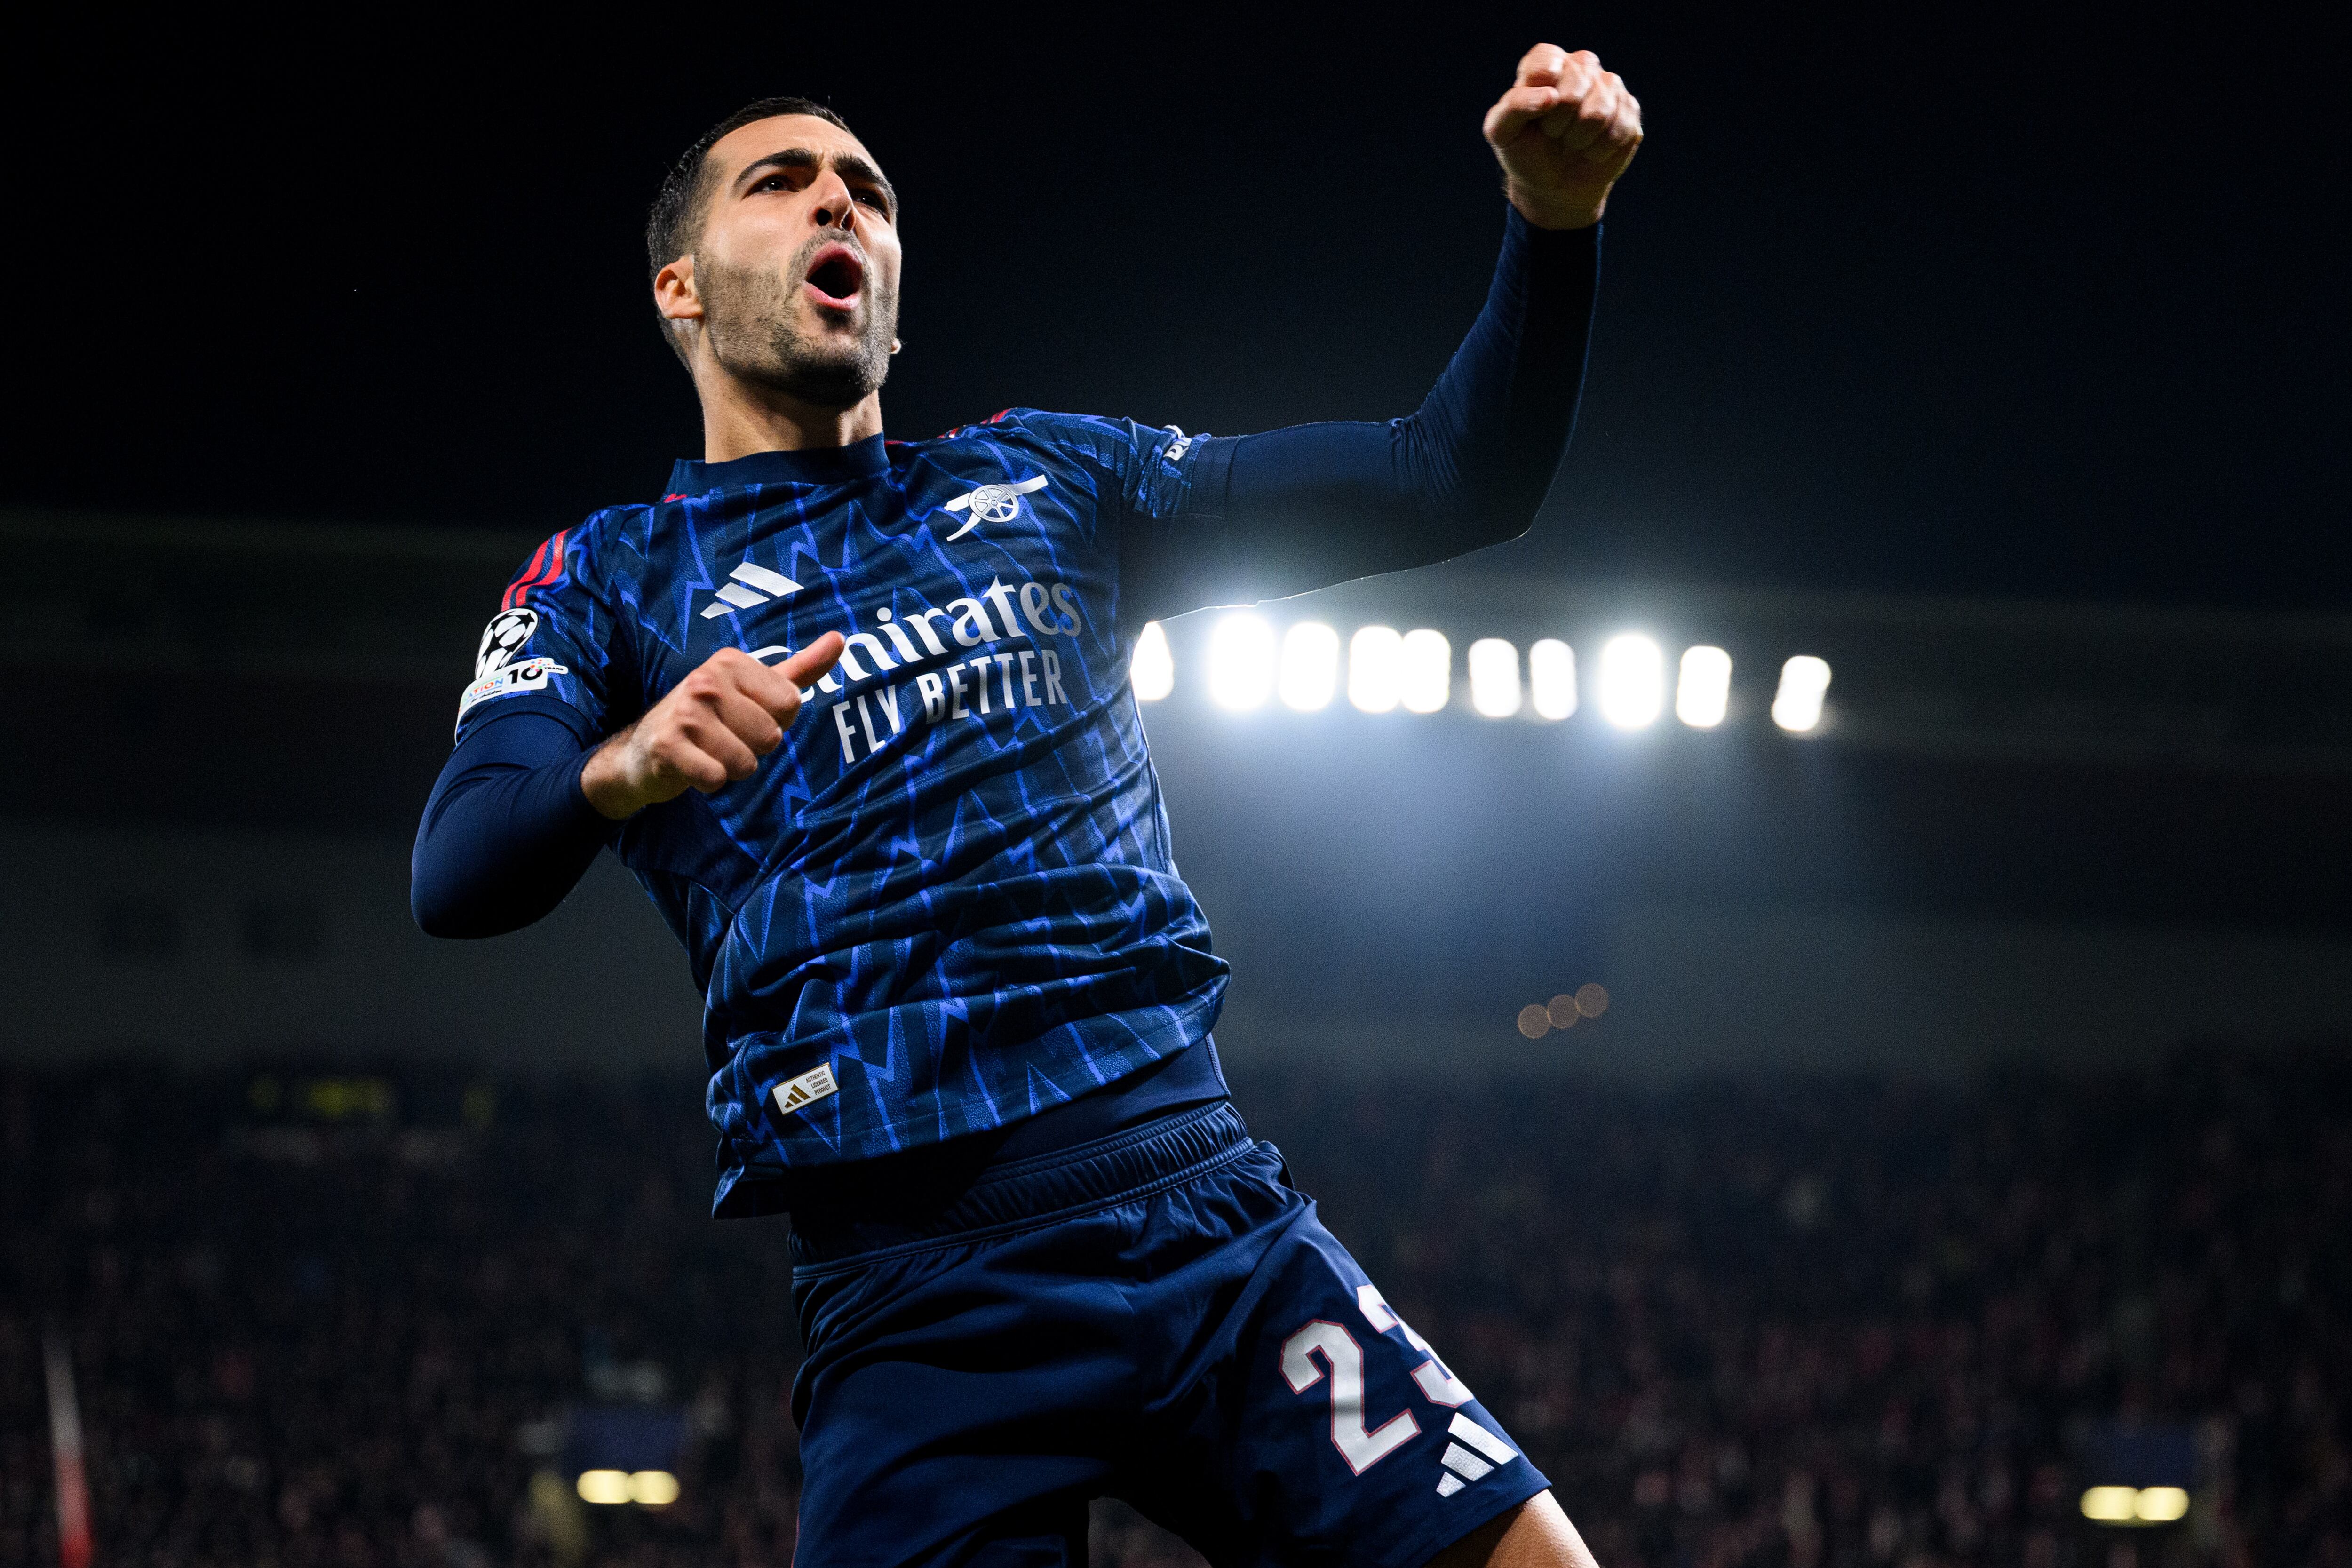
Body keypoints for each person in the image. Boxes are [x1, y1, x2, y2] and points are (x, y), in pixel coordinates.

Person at [412, 42, 1639, 1567]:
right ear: (680, 288)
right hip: (918, 1308)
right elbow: (457, 868)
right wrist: (624, 767)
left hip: (1200, 1213)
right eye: (780, 185)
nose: (834, 207)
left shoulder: (1054, 479)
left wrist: (1552, 222)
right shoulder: (604, 578)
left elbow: (1453, 476)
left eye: (865, 191)